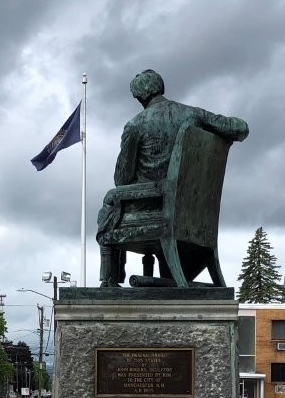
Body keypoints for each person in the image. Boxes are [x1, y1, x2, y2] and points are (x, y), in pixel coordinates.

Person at [97, 70, 248, 286]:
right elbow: (241, 128)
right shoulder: (194, 115)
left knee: (110, 205)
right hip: (194, 215)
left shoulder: (135, 125)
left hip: (153, 210)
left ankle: (109, 281)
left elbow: (122, 179)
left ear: (141, 97)